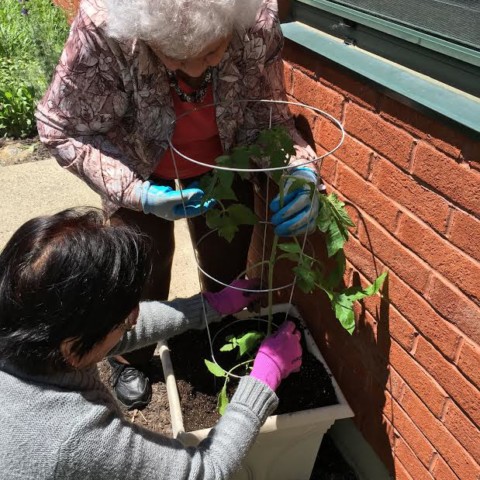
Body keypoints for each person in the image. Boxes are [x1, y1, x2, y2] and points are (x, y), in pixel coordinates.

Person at [36, 0, 321, 408]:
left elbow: (269, 117)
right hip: (134, 162)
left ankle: (217, 335)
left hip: (224, 161)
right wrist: (138, 194)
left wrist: (299, 169)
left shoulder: (256, 19)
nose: (194, 70)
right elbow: (57, 127)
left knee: (226, 264)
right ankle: (128, 357)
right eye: (173, 56)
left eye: (211, 52)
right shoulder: (103, 27)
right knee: (140, 266)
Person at [0, 207, 302, 480]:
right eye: (123, 316)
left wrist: (211, 305)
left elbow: (118, 333)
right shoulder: (75, 436)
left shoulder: (29, 331)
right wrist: (263, 380)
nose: (135, 318)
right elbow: (206, 470)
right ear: (70, 345)